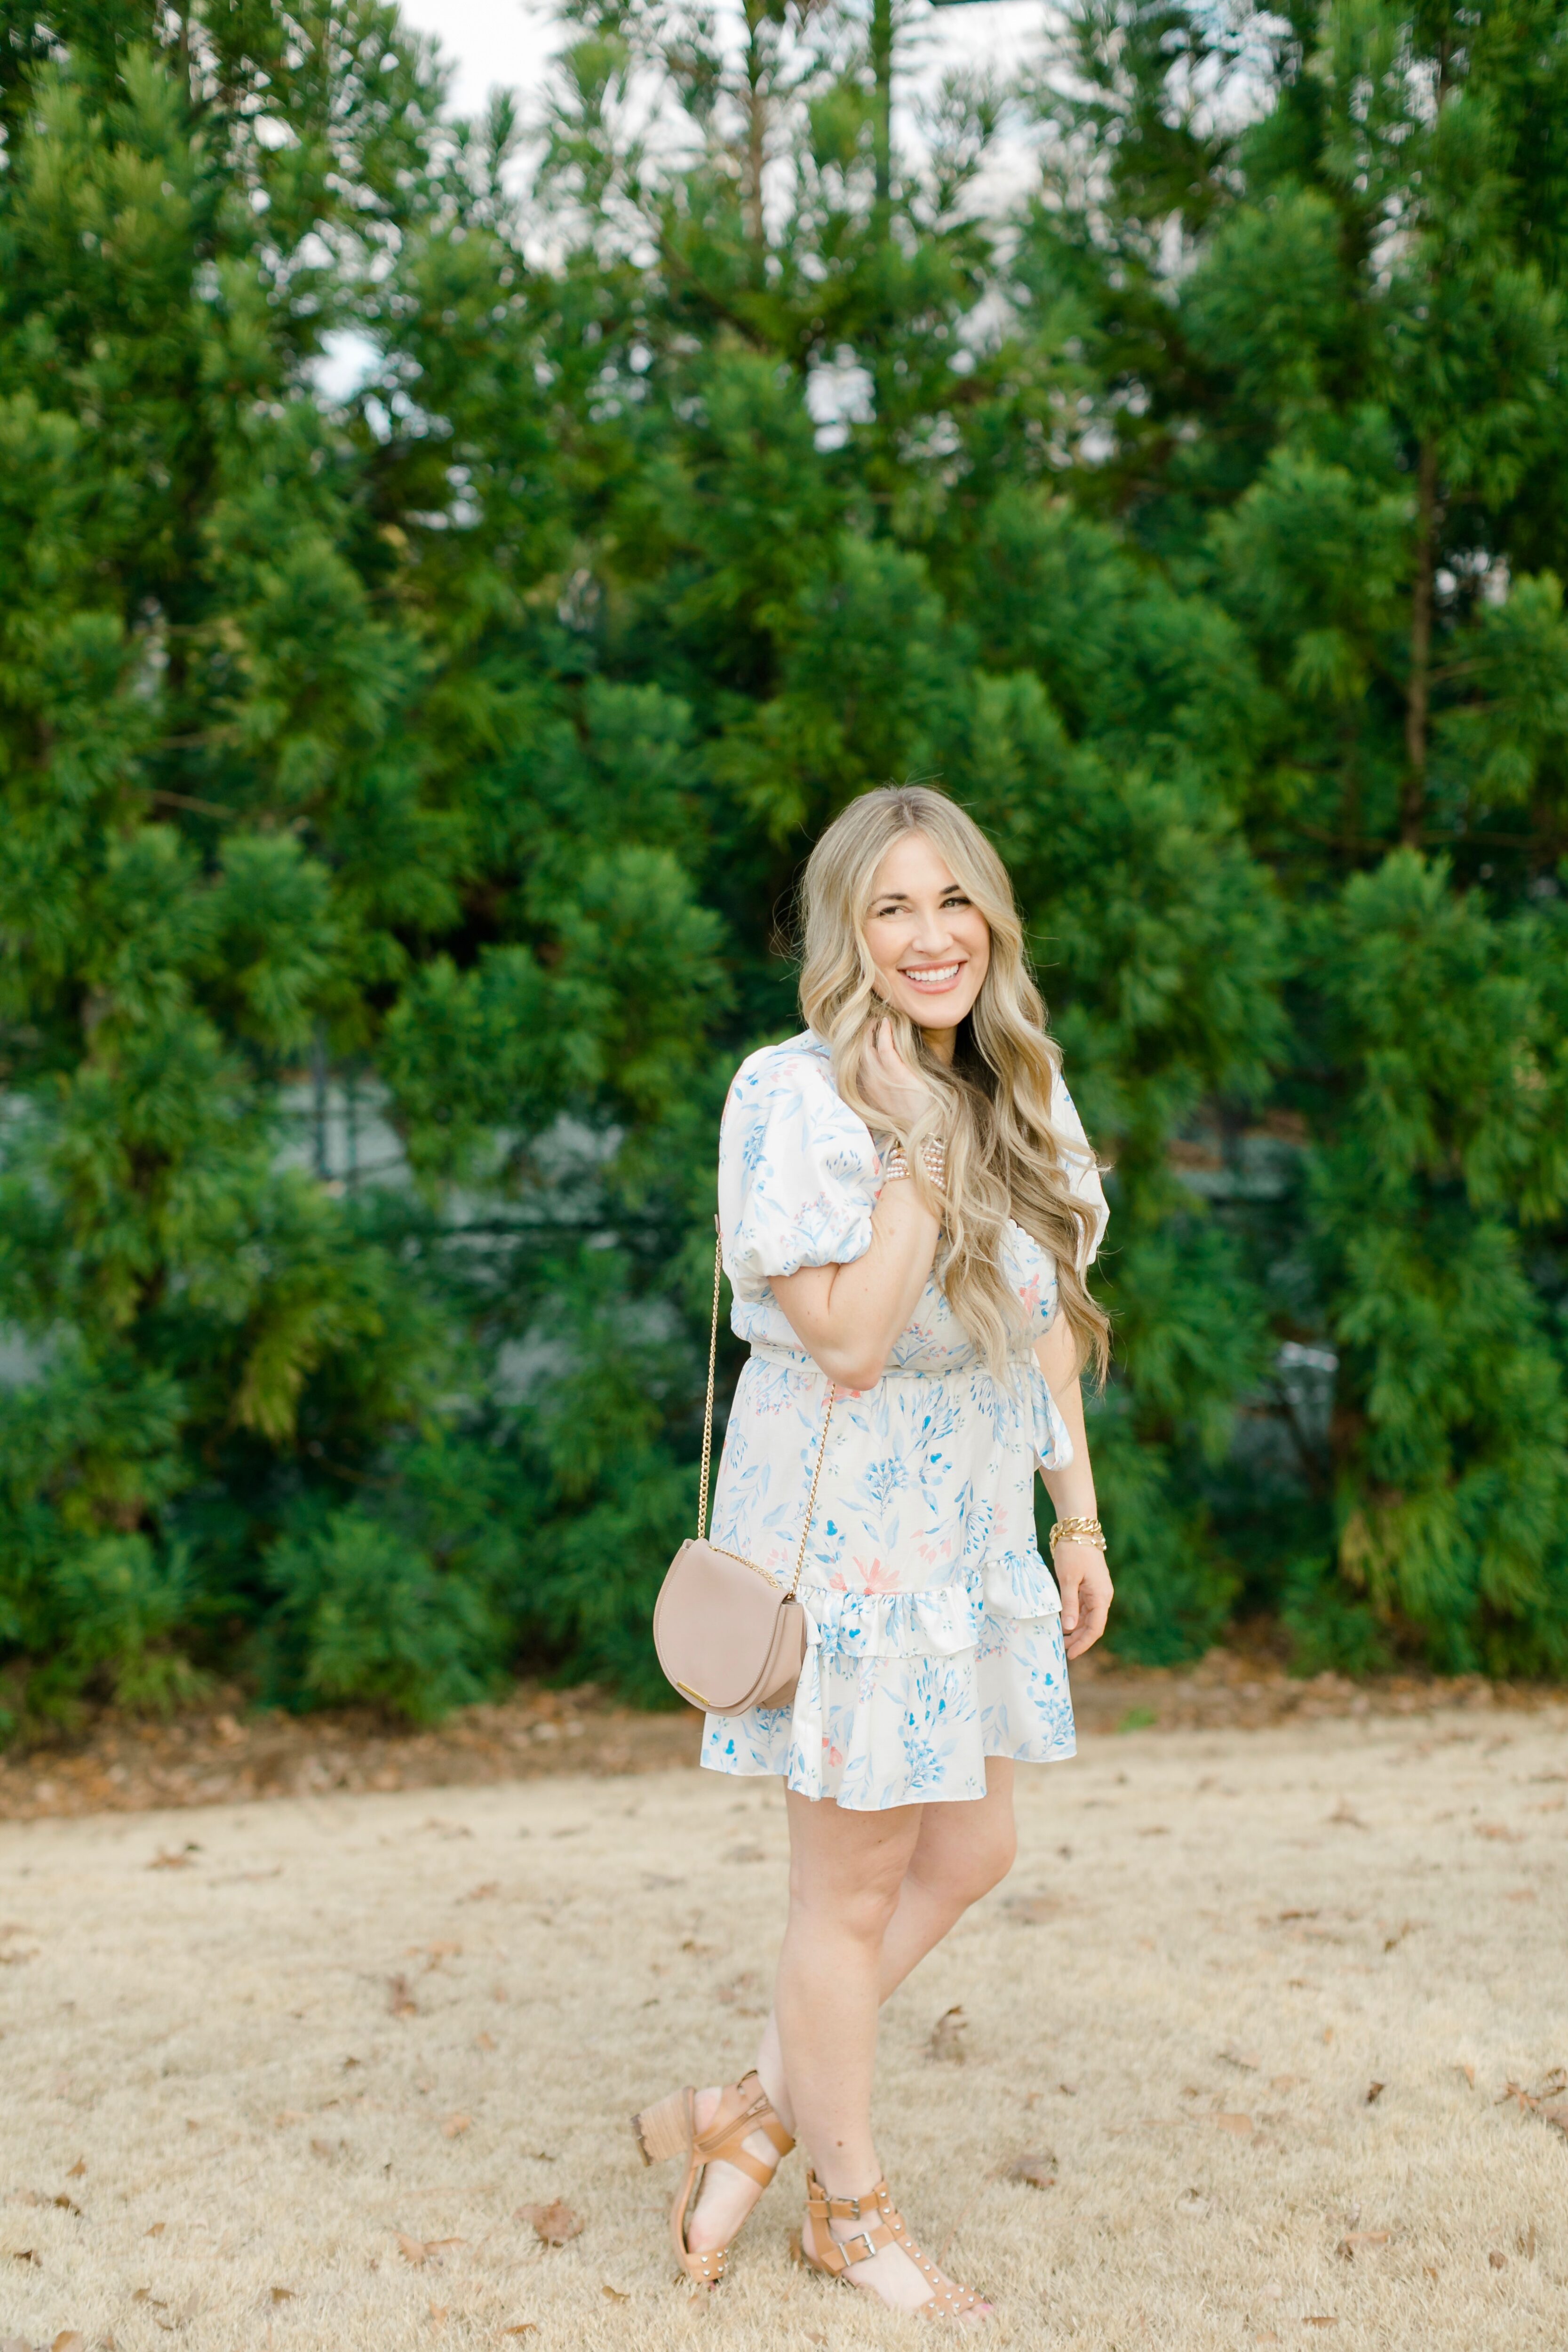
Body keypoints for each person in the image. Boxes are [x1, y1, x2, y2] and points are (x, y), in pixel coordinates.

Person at [632, 785, 1113, 2322]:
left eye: (954, 902)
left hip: (968, 1527)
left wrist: (1077, 1511)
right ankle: (850, 2210)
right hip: (844, 1535)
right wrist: (916, 1152)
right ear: (846, 930)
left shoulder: (1021, 1083)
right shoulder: (794, 1095)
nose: (930, 936)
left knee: (974, 1849)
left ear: (993, 918)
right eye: (892, 908)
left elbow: (1039, 1335)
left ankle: (753, 2113)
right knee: (845, 1895)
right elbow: (842, 1340)